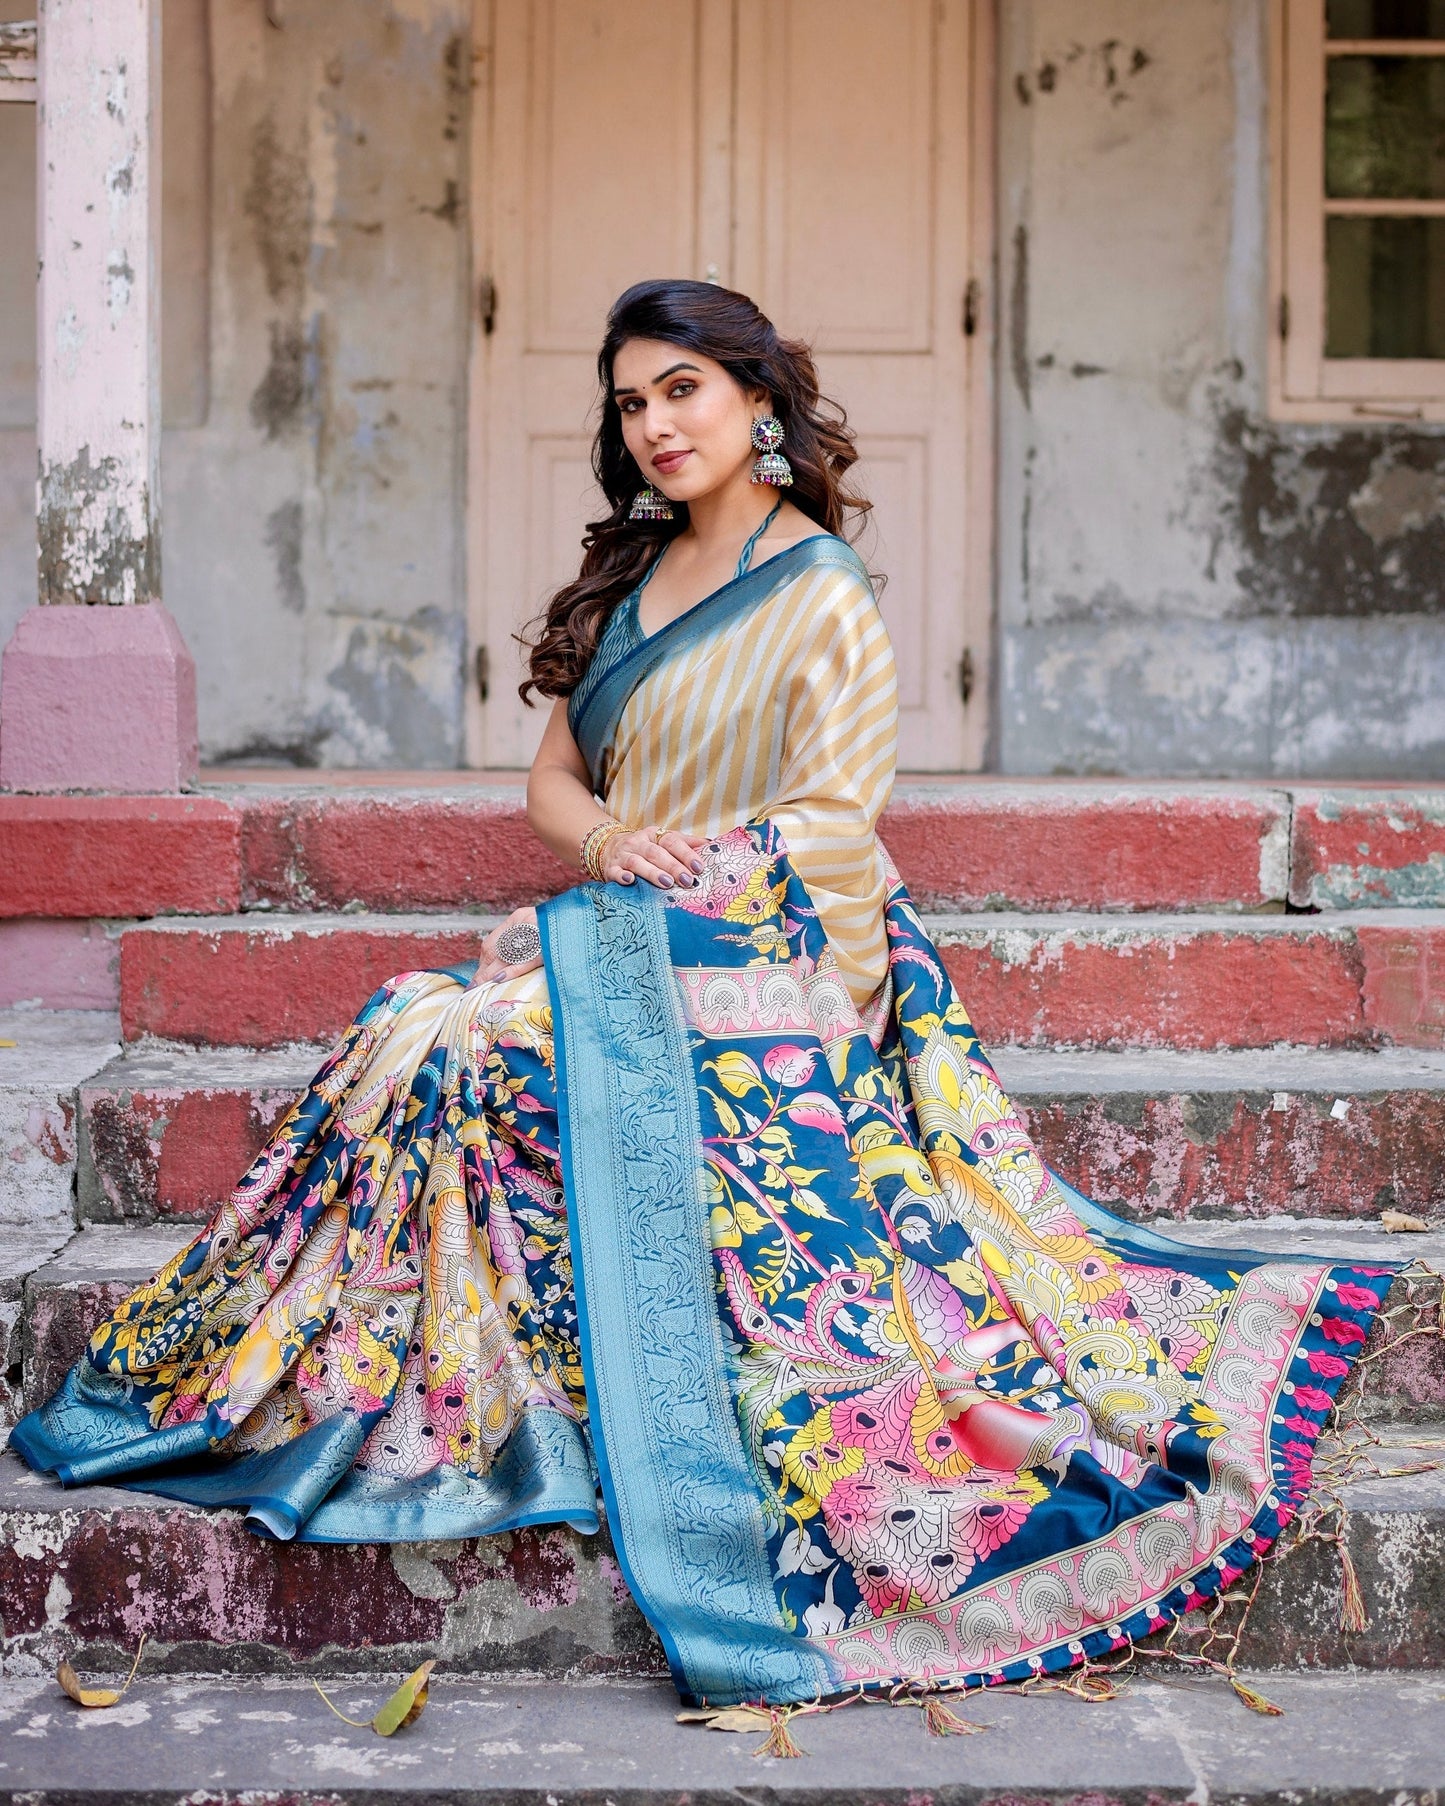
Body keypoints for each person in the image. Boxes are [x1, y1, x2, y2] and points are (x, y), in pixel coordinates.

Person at [11, 279, 1394, 1713]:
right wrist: (610, 850)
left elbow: (834, 824)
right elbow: (556, 781)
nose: (656, 422)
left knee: (469, 1039)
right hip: (623, 926)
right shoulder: (628, 578)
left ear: (757, 402)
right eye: (630, 401)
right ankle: (326, 1373)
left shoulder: (822, 596)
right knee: (412, 1037)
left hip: (774, 957)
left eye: (683, 388)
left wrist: (674, 903)